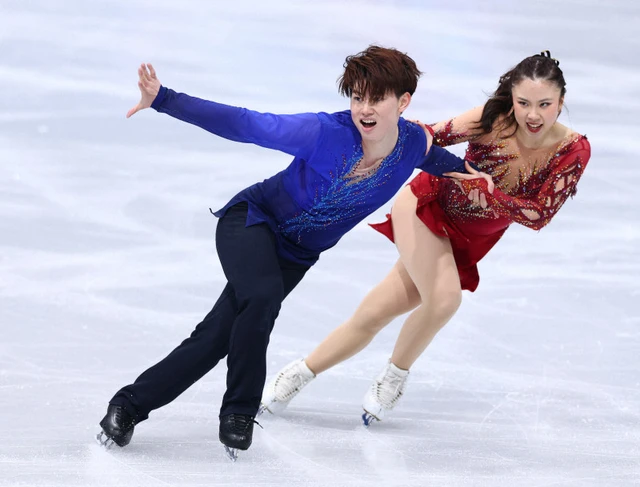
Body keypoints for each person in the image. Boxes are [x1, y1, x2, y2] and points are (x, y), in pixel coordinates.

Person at [96, 45, 485, 459]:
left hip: (295, 257)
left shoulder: (411, 143)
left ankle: (127, 406)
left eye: (377, 99)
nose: (364, 109)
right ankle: (239, 412)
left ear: (403, 102)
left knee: (214, 339)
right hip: (253, 223)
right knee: (261, 298)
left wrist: (473, 176)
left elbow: (436, 159)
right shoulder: (325, 133)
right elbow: (246, 123)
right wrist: (164, 99)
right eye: (357, 97)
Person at [261, 51, 592, 425]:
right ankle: (395, 376)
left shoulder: (573, 150)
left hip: (468, 241)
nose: (533, 115)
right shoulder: (492, 118)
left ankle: (300, 372)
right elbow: (426, 137)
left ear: (561, 102)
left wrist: (490, 194)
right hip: (426, 207)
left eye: (545, 104)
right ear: (511, 99)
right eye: (524, 103)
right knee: (445, 299)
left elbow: (539, 214)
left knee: (374, 314)